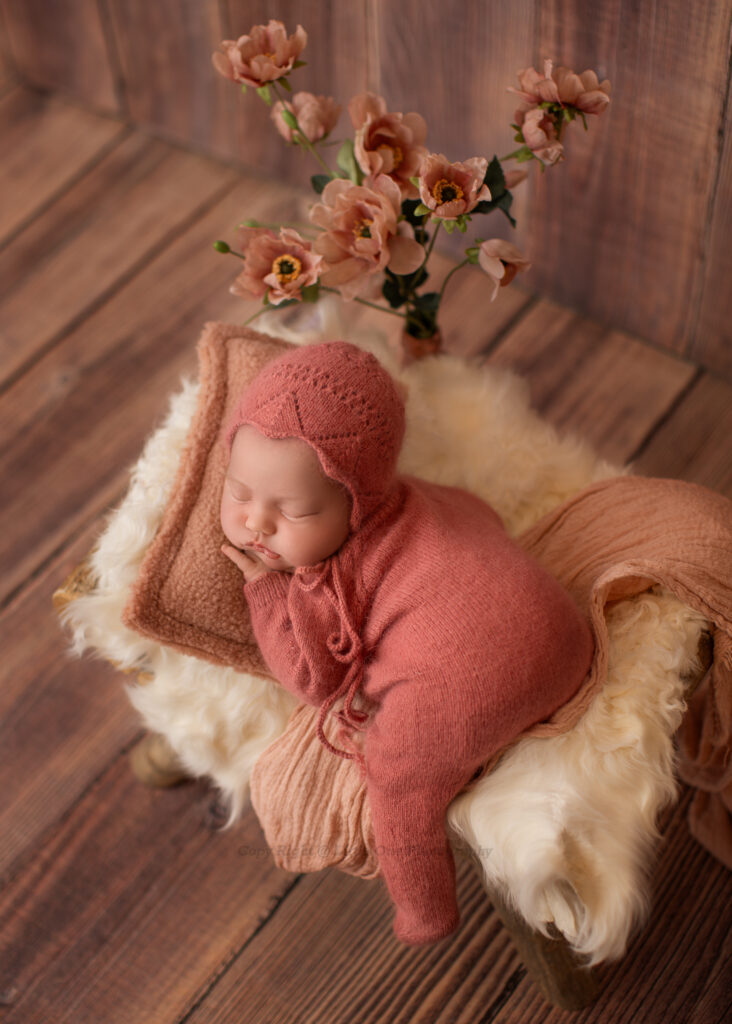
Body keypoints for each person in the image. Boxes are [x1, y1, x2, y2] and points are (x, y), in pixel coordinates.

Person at [220, 340, 594, 945]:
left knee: (400, 780)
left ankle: (426, 910)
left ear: (356, 504)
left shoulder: (329, 580)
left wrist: (266, 592)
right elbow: (481, 513)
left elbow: (314, 680)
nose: (256, 523)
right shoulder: (427, 496)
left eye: (295, 511)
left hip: (471, 680)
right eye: (238, 492)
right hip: (566, 636)